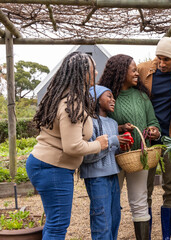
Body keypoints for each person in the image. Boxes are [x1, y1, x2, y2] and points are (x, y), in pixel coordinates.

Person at [26, 52, 109, 240]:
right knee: (57, 226)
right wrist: (99, 144)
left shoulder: (61, 96)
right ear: (81, 73)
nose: (96, 73)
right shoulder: (72, 103)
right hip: (53, 168)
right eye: (93, 69)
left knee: (54, 222)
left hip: (45, 165)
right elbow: (72, 147)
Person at [99, 54, 161, 240]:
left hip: (138, 156)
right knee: (111, 203)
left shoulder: (142, 97)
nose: (137, 74)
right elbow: (98, 125)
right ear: (120, 72)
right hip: (112, 158)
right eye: (133, 70)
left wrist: (154, 131)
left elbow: (153, 122)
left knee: (140, 201)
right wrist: (118, 129)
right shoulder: (107, 97)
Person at [137, 37, 171, 240]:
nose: (162, 63)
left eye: (167, 60)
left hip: (170, 137)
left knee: (170, 186)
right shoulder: (142, 70)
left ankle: (166, 236)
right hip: (147, 140)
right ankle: (145, 235)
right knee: (144, 187)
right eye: (159, 58)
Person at [80, 85, 132, 240]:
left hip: (113, 176)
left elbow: (111, 153)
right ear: (96, 99)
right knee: (102, 220)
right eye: (108, 96)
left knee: (115, 217)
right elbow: (87, 157)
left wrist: (122, 148)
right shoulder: (89, 122)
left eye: (113, 96)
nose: (113, 99)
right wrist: (113, 141)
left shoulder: (113, 123)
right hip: (96, 179)